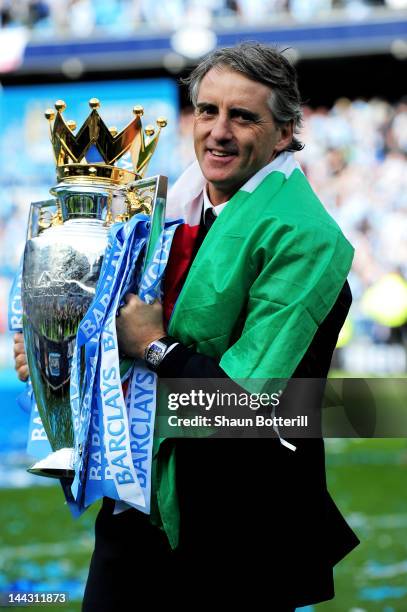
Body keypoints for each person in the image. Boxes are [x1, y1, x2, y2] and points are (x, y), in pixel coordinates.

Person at [14, 43, 359, 610]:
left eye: (243, 116)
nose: (218, 131)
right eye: (207, 110)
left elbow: (248, 411)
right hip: (139, 513)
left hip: (234, 535)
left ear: (285, 131)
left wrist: (154, 346)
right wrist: (61, 360)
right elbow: (116, 342)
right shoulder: (170, 214)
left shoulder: (304, 237)